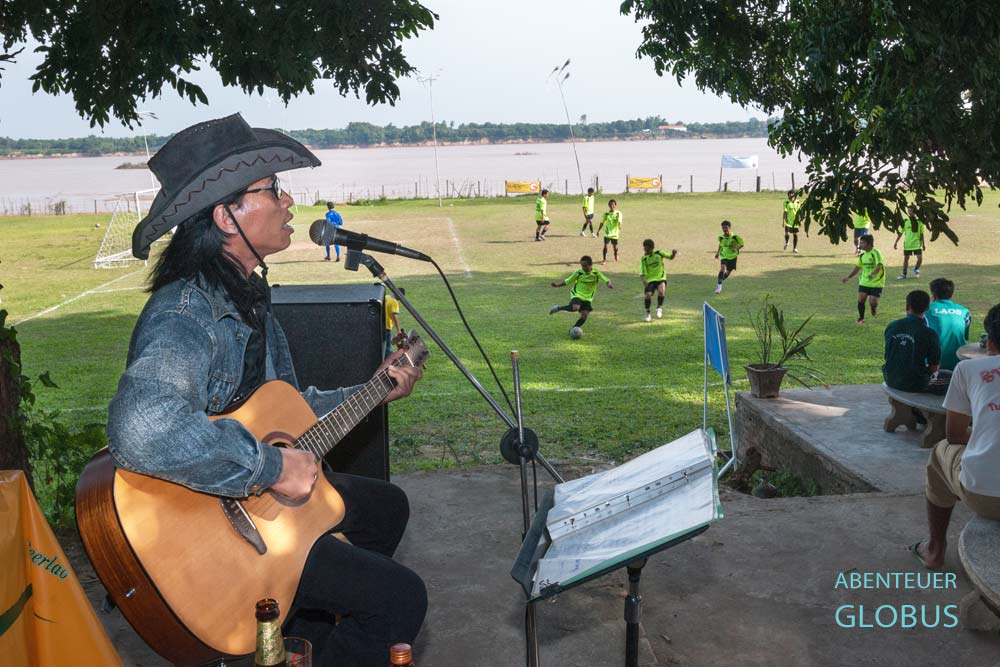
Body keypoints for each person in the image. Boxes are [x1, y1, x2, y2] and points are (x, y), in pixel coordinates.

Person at [108, 114, 426, 667]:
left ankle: (297, 633)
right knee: (400, 598)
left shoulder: (250, 301)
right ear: (226, 216)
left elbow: (290, 414)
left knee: (386, 509)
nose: (288, 202)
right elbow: (141, 427)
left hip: (259, 512)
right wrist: (271, 469)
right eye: (272, 190)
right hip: (212, 535)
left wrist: (377, 388)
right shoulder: (186, 312)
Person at [911, 304, 1000, 571]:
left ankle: (935, 549)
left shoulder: (969, 370)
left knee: (941, 450)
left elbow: (954, 435)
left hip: (985, 495)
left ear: (990, 342)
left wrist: (984, 431)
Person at [882, 290, 945, 394]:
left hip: (890, 379)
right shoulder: (929, 333)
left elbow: (888, 354)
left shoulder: (892, 326)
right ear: (927, 308)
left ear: (907, 307)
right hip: (916, 384)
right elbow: (934, 367)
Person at [548, 255, 613, 329]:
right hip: (577, 294)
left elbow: (606, 280)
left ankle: (573, 329)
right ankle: (558, 308)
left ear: (590, 265)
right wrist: (557, 285)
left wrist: (609, 284)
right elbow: (568, 281)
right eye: (582, 266)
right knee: (575, 308)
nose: (583, 268)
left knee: (584, 315)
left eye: (585, 266)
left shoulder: (596, 273)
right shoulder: (579, 273)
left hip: (588, 298)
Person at [925, 278, 971, 371]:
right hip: (959, 363)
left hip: (934, 364)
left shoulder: (926, 310)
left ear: (933, 295)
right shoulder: (965, 311)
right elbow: (964, 337)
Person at [841, 233, 885, 325]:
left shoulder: (875, 253)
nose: (860, 245)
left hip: (877, 282)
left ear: (869, 244)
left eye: (862, 243)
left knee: (873, 301)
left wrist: (873, 274)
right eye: (860, 243)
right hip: (864, 281)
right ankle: (861, 318)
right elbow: (858, 267)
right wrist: (848, 277)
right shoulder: (862, 255)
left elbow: (879, 265)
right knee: (861, 299)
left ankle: (873, 308)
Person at [639, 239, 677, 322]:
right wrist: (644, 281)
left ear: (652, 248)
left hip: (661, 278)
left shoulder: (659, 253)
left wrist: (673, 253)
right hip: (650, 280)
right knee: (648, 295)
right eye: (644, 248)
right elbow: (641, 273)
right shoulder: (644, 259)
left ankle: (659, 308)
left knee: (661, 291)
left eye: (647, 249)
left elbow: (670, 257)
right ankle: (648, 312)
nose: (645, 250)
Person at [894, 205, 925, 279]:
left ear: (914, 211)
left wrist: (923, 243)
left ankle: (916, 269)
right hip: (908, 244)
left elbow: (921, 233)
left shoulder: (919, 221)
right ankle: (904, 274)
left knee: (920, 258)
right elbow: (901, 233)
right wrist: (896, 242)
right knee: (906, 259)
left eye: (910, 211)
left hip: (917, 243)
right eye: (908, 211)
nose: (909, 212)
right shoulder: (905, 221)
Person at [713, 220, 743, 294]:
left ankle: (721, 280)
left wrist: (736, 249)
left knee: (728, 272)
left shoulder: (735, 237)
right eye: (723, 228)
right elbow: (720, 244)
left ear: (729, 227)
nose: (724, 229)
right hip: (724, 255)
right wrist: (717, 253)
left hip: (733, 257)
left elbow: (742, 244)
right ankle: (719, 287)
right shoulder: (720, 237)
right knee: (722, 269)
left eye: (726, 227)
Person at [596, 199, 622, 264]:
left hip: (615, 233)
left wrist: (619, 226)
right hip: (607, 233)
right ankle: (604, 259)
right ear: (608, 206)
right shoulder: (606, 214)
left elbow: (619, 221)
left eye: (613, 204)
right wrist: (598, 230)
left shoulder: (618, 213)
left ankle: (616, 254)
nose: (612, 206)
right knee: (605, 246)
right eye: (610, 205)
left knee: (615, 247)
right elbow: (602, 222)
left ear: (615, 205)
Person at [385, 288, 406, 356]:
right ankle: (388, 363)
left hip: (381, 325)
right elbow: (394, 316)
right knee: (388, 348)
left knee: (384, 344)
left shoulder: (386, 297)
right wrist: (398, 329)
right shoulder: (394, 302)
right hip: (387, 326)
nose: (400, 299)